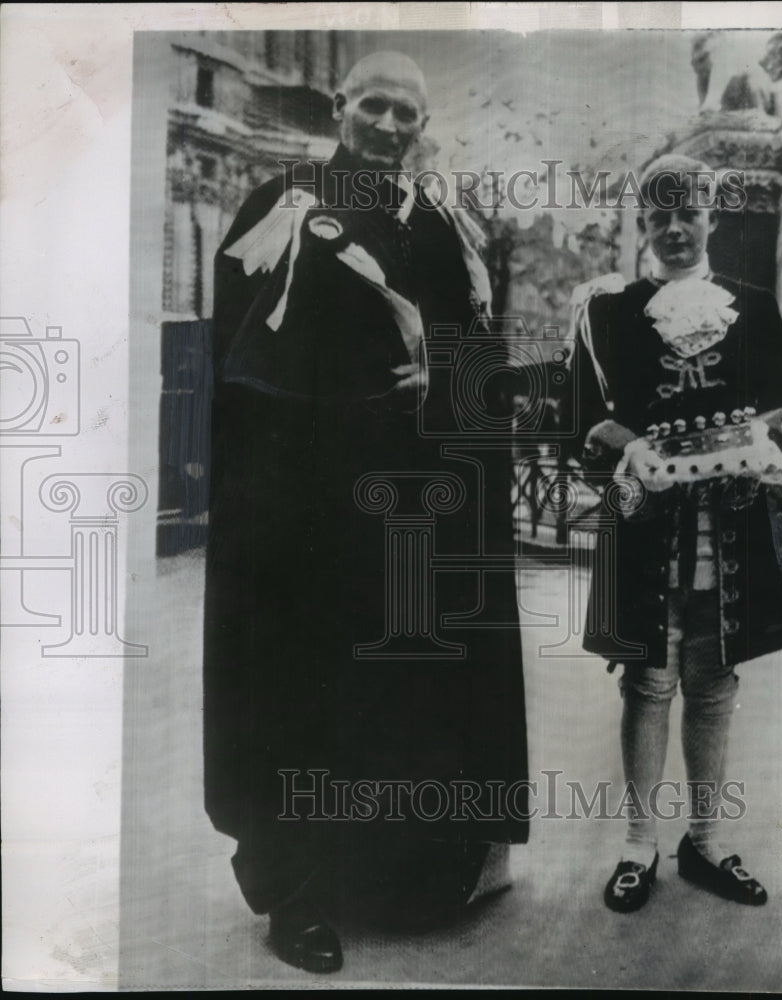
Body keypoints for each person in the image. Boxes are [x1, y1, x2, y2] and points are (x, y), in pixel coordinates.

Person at [203, 52, 529, 974]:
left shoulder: (440, 221)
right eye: (374, 107)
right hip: (307, 508)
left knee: (401, 696)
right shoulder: (287, 203)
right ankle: (297, 898)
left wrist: (445, 385)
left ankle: (401, 879)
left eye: (407, 115)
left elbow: (475, 354)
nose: (390, 126)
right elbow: (239, 360)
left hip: (413, 512)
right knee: (301, 697)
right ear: (341, 106)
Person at [565, 153, 782, 913]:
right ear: (643, 223)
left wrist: (762, 443)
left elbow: (781, 405)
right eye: (658, 215)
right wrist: (625, 446)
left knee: (713, 684)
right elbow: (578, 417)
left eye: (687, 212)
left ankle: (705, 842)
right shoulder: (607, 313)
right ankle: (638, 844)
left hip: (727, 525)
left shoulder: (753, 305)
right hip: (644, 525)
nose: (674, 228)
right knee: (648, 681)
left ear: (711, 217)